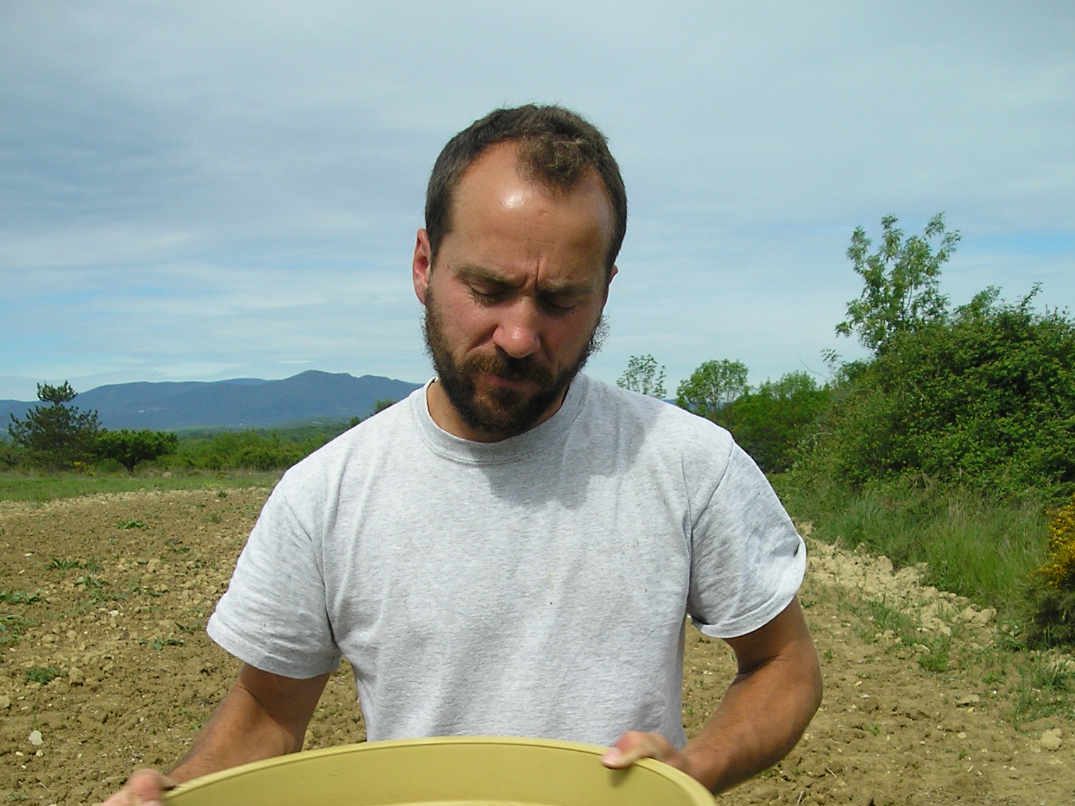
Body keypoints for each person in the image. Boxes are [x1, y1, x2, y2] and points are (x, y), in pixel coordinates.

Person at [104, 104, 821, 805]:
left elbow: (782, 665)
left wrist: (688, 773)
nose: (518, 334)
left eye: (560, 300)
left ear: (605, 293)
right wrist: (174, 795)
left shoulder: (687, 462)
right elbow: (265, 713)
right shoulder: (326, 493)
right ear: (423, 265)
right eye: (488, 289)